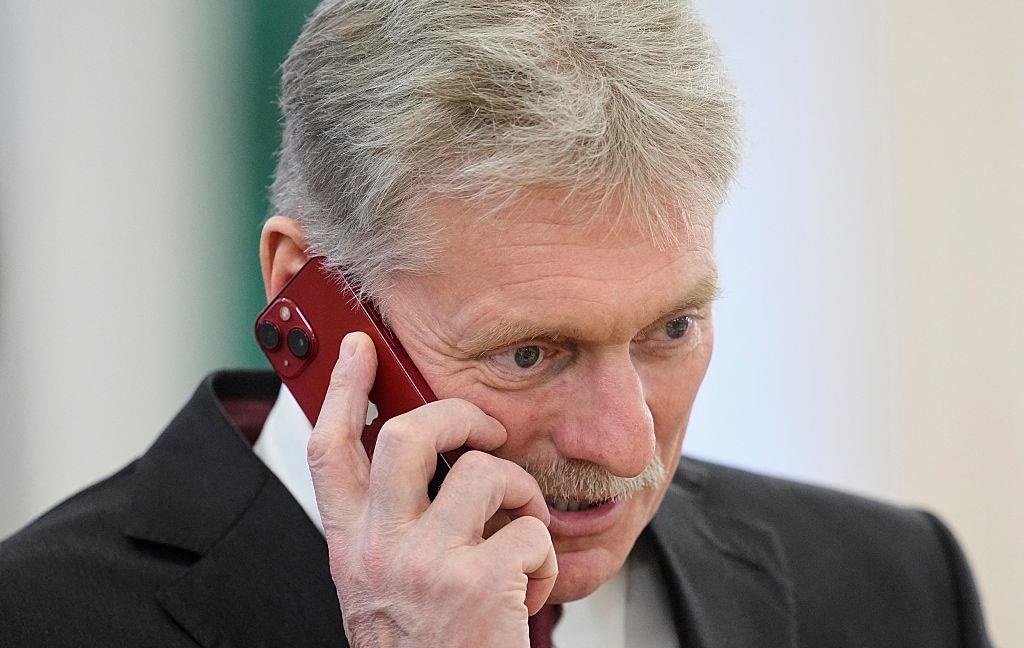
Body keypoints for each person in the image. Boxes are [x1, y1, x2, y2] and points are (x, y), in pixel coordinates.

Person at [0, 1, 992, 646]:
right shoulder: (42, 617)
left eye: (671, 330)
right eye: (530, 352)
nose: (624, 445)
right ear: (309, 296)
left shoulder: (895, 587)